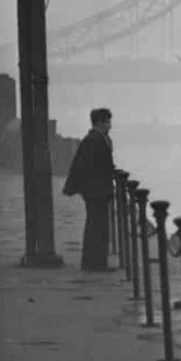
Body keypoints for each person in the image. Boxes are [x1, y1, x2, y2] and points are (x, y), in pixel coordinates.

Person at [63, 107, 116, 272]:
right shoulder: (95, 140)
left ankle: (94, 262)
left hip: (95, 190)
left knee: (96, 226)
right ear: (99, 122)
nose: (110, 126)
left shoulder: (96, 138)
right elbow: (88, 166)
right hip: (96, 190)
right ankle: (96, 263)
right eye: (107, 122)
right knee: (97, 227)